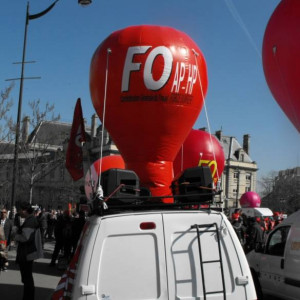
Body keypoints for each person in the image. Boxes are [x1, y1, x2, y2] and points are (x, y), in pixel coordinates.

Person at [15, 201, 40, 300]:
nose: (18, 212)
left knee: (27, 278)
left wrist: (15, 236)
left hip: (27, 253)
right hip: (28, 253)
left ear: (24, 210)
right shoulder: (31, 219)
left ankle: (28, 298)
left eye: (19, 209)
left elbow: (25, 237)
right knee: (27, 278)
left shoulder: (30, 220)